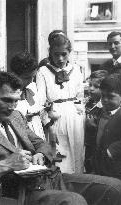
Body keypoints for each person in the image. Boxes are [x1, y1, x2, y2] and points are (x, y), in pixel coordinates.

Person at [0, 70, 121, 205]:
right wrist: (5, 165)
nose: (12, 107)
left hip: (49, 179)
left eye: (16, 101)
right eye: (6, 100)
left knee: (115, 187)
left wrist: (41, 155)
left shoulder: (15, 116)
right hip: (19, 193)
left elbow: (42, 144)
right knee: (73, 201)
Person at [36, 32, 85, 174]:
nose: (60, 58)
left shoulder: (75, 70)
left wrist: (79, 112)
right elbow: (40, 101)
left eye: (64, 54)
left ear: (69, 52)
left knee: (77, 152)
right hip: (55, 117)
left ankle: (78, 182)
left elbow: (80, 95)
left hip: (74, 117)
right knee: (60, 155)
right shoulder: (43, 72)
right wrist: (48, 123)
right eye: (56, 54)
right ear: (50, 52)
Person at [92, 73, 121, 184]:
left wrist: (112, 150)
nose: (105, 100)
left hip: (116, 167)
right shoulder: (100, 113)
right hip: (99, 164)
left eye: (111, 96)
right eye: (103, 96)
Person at [10, 51, 45, 140]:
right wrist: (23, 118)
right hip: (20, 134)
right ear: (14, 74)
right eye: (26, 78)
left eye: (33, 77)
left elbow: (37, 106)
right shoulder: (10, 94)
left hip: (36, 129)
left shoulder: (32, 87)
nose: (30, 80)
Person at [84, 70, 108, 173]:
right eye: (90, 85)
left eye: (96, 86)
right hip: (87, 146)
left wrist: (94, 125)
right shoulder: (89, 103)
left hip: (97, 149)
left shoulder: (104, 108)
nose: (91, 89)